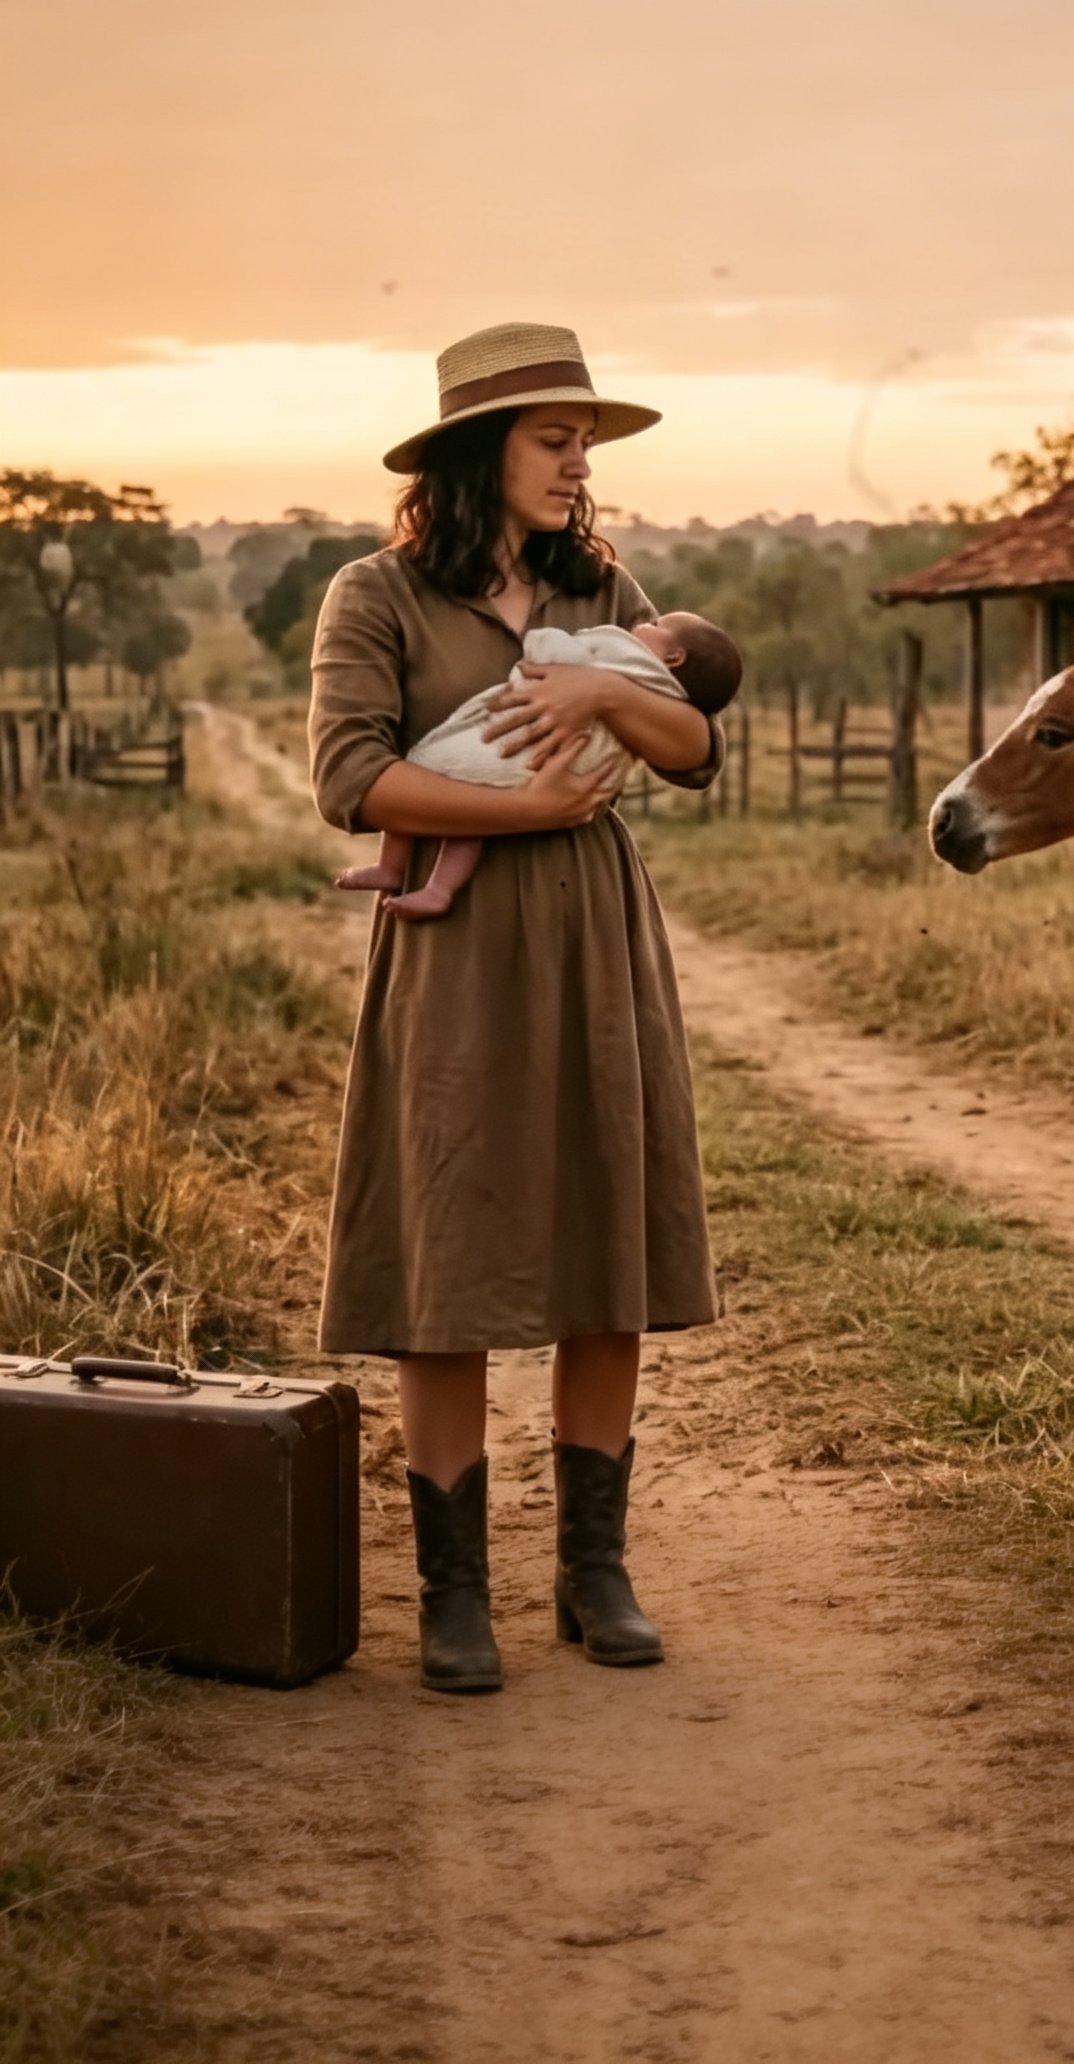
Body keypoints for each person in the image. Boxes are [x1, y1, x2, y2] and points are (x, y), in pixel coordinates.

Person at [307, 320, 726, 1694]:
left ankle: (593, 1574)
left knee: (605, 1230)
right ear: (478, 452)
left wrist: (608, 680)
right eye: (556, 440)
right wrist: (521, 801)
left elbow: (691, 748)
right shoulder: (372, 597)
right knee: (452, 1253)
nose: (578, 464)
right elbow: (350, 778)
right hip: (459, 950)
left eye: (586, 444)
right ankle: (453, 1592)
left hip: (597, 936)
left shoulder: (600, 586)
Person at [333, 608, 742, 920]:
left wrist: (604, 691)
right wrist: (526, 809)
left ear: (673, 657)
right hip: (451, 933)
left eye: (656, 624)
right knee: (457, 783)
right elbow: (350, 776)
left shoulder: (608, 592)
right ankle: (408, 874)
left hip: (578, 899)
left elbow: (696, 747)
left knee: (449, 769)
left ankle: (403, 871)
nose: (645, 624)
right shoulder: (381, 591)